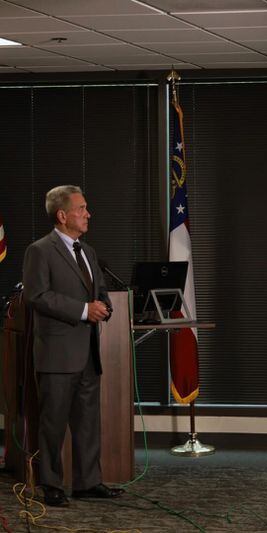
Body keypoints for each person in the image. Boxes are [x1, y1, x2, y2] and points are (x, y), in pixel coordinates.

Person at [22, 185, 124, 507]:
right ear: (62, 215)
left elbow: (101, 290)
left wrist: (104, 307)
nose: (87, 214)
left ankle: (87, 482)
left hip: (88, 355)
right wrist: (83, 311)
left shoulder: (88, 251)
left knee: (88, 423)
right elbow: (36, 296)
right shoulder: (39, 250)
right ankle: (51, 484)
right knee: (52, 424)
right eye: (81, 209)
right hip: (56, 355)